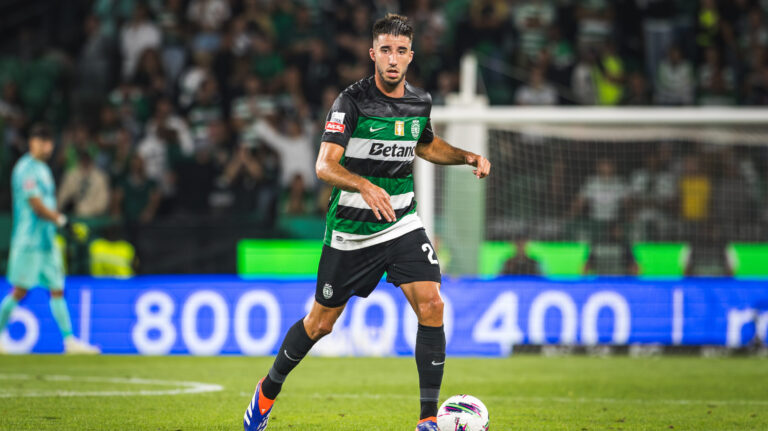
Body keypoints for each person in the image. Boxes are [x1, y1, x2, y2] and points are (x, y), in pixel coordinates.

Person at [242, 14, 491, 431]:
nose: (393, 59)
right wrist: (363, 186)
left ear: (410, 56)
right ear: (372, 53)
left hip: (400, 222)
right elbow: (325, 166)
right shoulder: (351, 103)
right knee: (320, 323)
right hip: (351, 233)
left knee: (432, 304)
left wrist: (466, 156)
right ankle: (267, 391)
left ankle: (428, 419)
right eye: (386, 50)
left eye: (401, 51)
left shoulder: (419, 102)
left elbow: (425, 145)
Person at [0, 124, 100, 354]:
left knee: (57, 288)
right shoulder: (25, 169)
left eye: (48, 142)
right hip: (28, 242)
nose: (46, 147)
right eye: (41, 141)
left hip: (46, 241)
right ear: (32, 142)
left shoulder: (44, 170)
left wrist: (57, 224)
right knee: (20, 291)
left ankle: (70, 341)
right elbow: (36, 206)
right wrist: (62, 220)